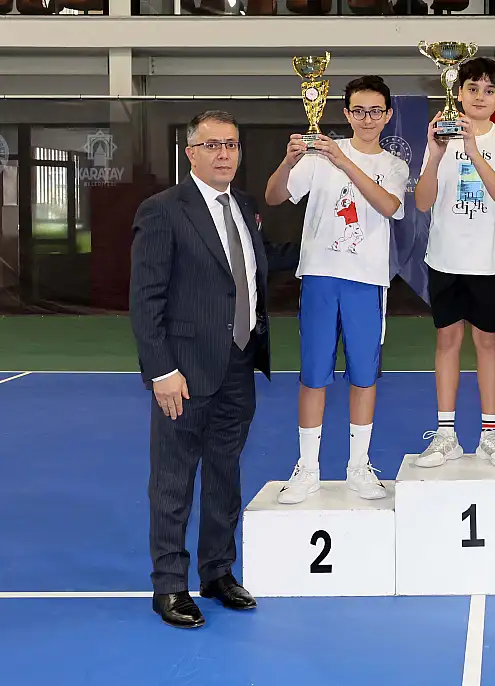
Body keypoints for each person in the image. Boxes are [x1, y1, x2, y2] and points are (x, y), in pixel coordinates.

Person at [130, 110, 300, 629]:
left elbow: (253, 265)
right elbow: (145, 298)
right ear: (191, 153)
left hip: (239, 365)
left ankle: (218, 572)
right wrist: (162, 371)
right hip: (184, 371)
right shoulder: (163, 210)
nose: (224, 154)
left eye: (232, 144)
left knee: (225, 473)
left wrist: (333, 247)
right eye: (213, 145)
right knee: (173, 480)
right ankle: (170, 585)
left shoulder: (244, 206)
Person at [264, 76, 410, 504]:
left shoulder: (394, 165)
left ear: (387, 115)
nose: (367, 118)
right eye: (358, 110)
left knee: (364, 376)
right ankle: (307, 468)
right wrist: (288, 161)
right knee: (313, 374)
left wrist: (345, 162)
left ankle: (358, 467)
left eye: (375, 111)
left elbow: (390, 206)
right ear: (346, 114)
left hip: (367, 282)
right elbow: (274, 196)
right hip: (320, 276)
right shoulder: (319, 155)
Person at [413, 57, 495, 469]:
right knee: (447, 342)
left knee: (487, 342)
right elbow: (422, 202)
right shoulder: (440, 136)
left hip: (490, 261)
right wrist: (436, 154)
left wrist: (474, 151)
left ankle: (490, 433)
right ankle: (446, 435)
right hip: (445, 258)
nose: (480, 96)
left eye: (489, 90)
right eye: (472, 88)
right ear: (457, 93)